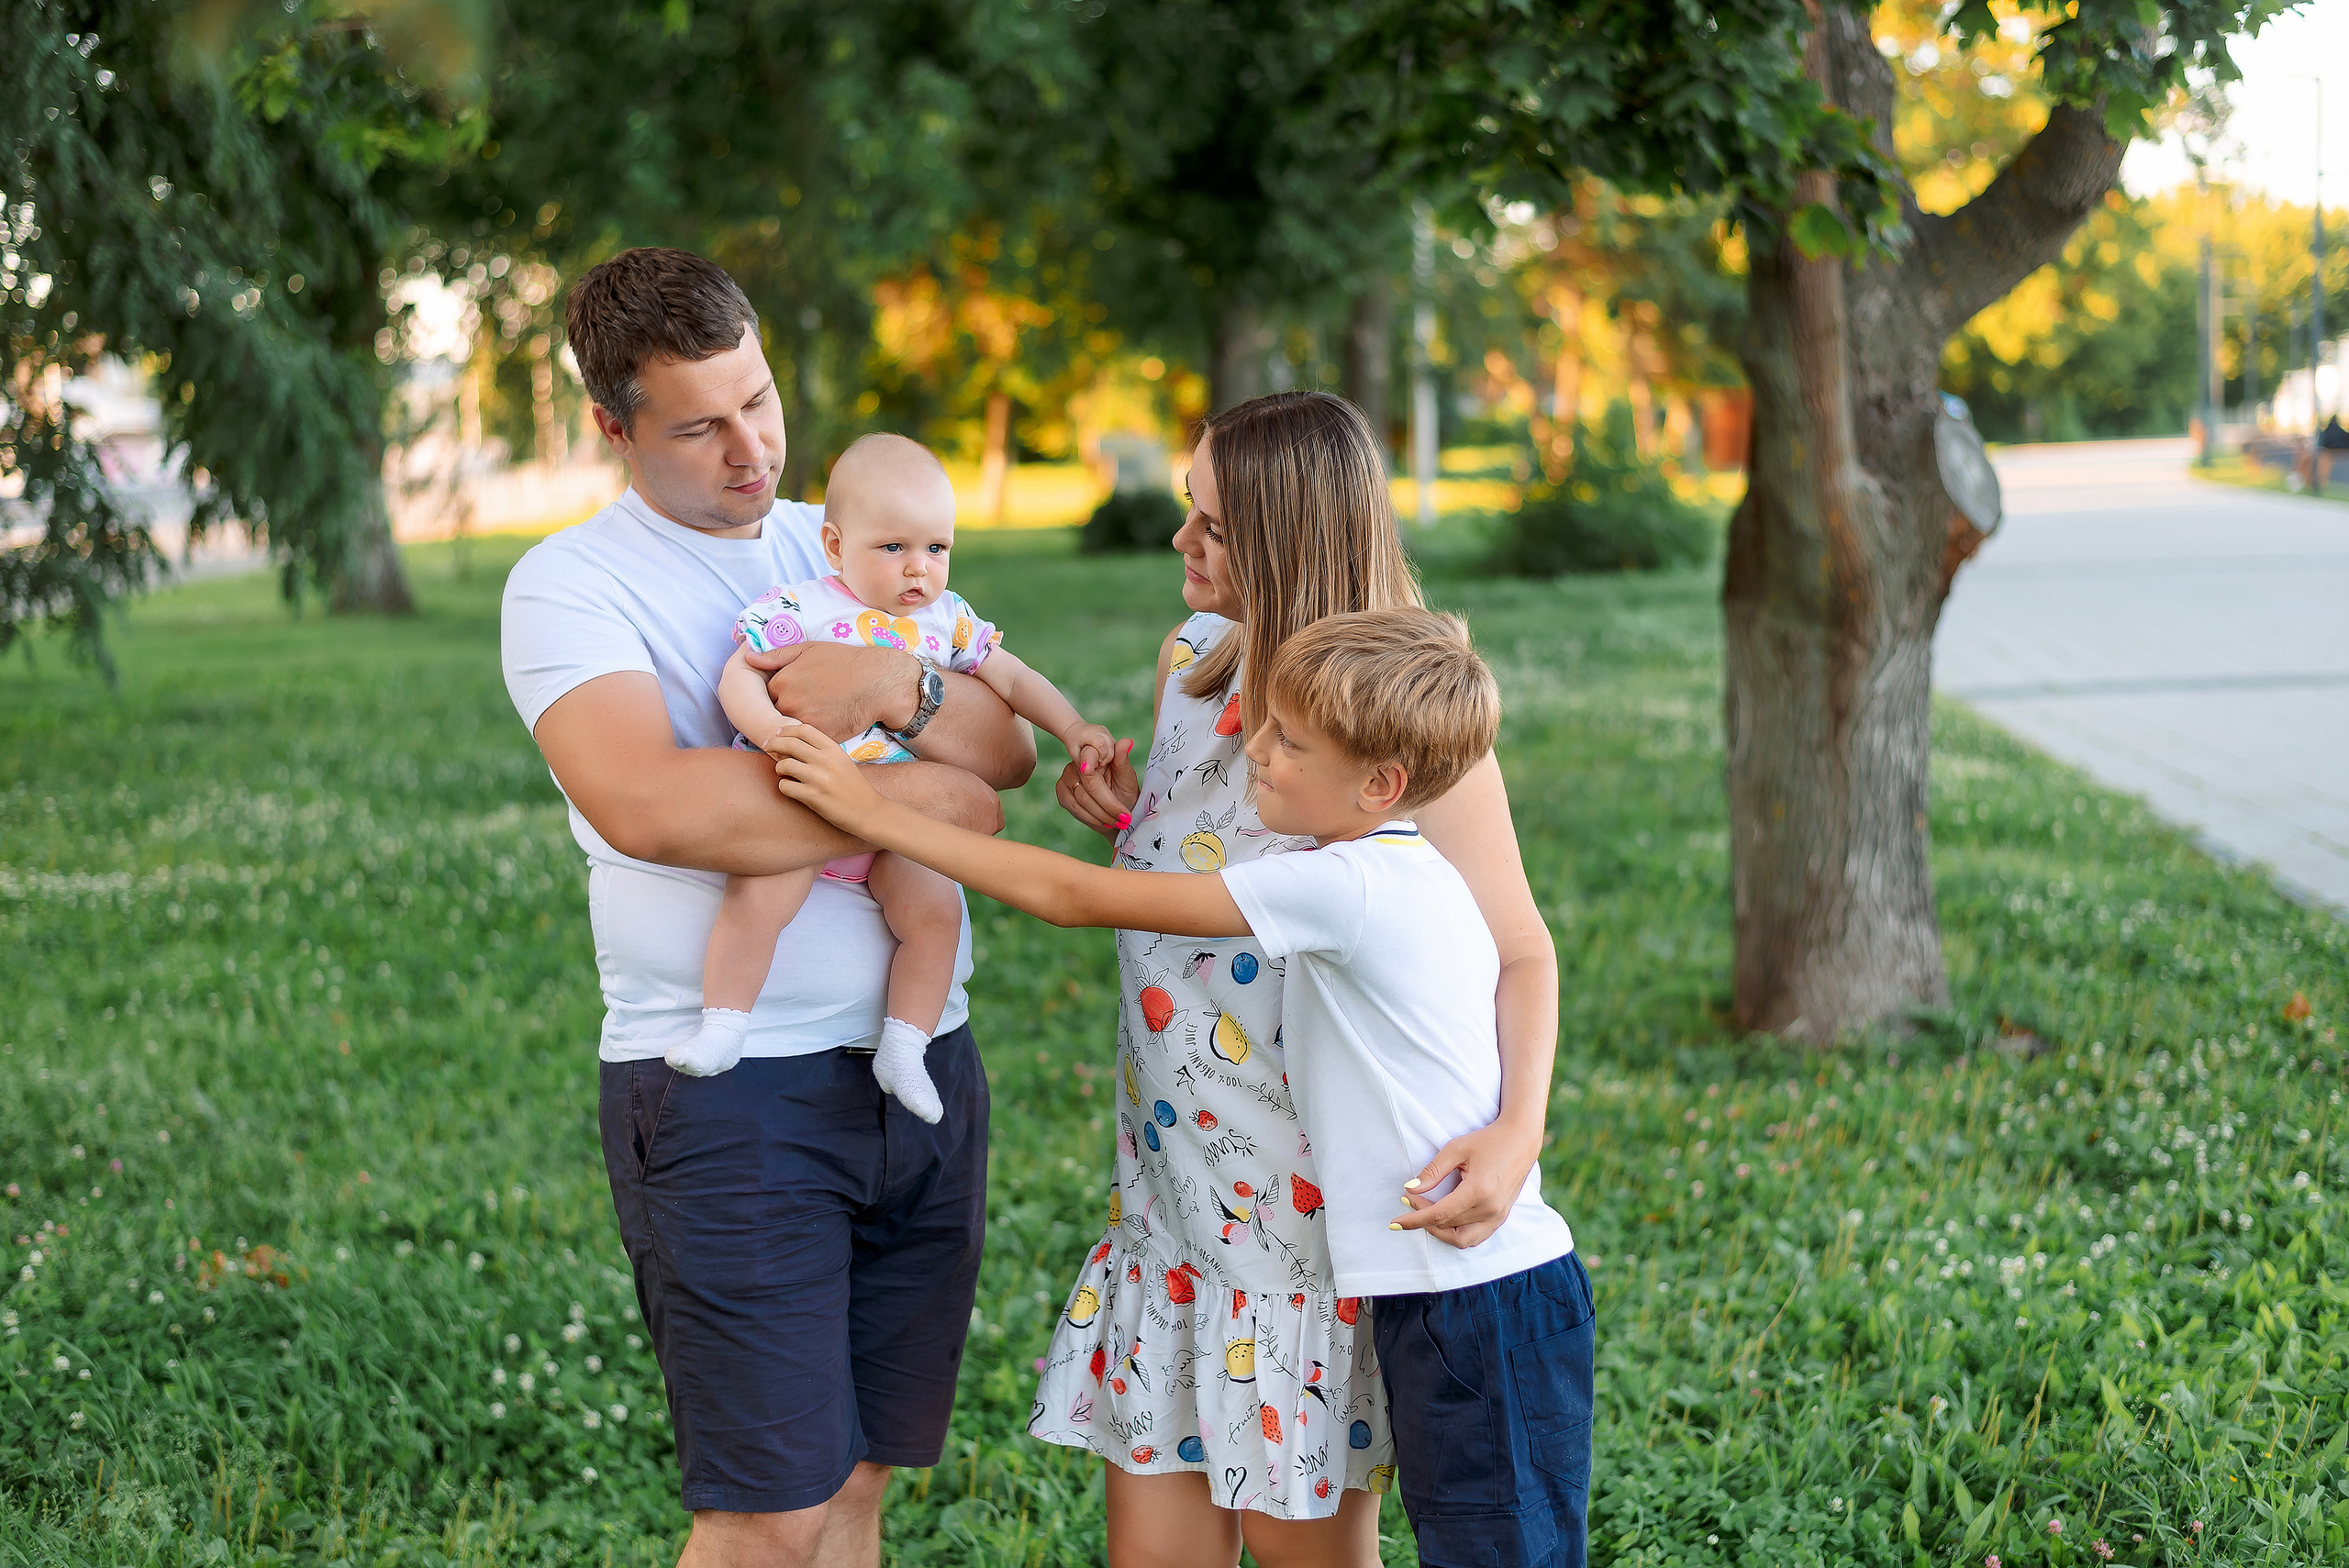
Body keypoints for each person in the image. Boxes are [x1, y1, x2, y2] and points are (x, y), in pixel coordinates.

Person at [765, 607, 1593, 1568]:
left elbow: (1072, 896)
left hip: (1472, 1292)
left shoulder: (1344, 883)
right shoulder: (1389, 867)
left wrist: (873, 813)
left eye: (1290, 741)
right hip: (1436, 1284)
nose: (1258, 750)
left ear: (1380, 783)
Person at [499, 247, 1034, 1568]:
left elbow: (1005, 750)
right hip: (733, 1099)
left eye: (759, 400)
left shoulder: (849, 537)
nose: (751, 450)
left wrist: (894, 692)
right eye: (700, 426)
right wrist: (926, 802)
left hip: (920, 1069)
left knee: (855, 1484)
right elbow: (655, 805)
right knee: (766, 1516)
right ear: (614, 426)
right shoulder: (572, 584)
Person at [1037, 390, 1564, 1566]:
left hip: (1304, 1236)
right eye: (1189, 507)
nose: (1180, 538)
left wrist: (1516, 1130)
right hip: (1168, 1202)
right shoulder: (1190, 665)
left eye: (1214, 525)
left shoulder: (1395, 722)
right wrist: (1123, 817)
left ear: (1290, 542)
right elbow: (1205, 878)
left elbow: (1520, 949)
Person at [668, 431, 1114, 1125]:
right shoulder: (804, 609)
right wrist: (772, 731)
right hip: (807, 803)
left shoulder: (948, 620)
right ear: (836, 545)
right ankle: (724, 1024)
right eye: (894, 547)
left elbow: (1013, 677)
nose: (918, 569)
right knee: (758, 901)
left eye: (937, 548)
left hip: (902, 819)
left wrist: (1072, 727)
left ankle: (905, 1048)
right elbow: (740, 675)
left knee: (935, 915)